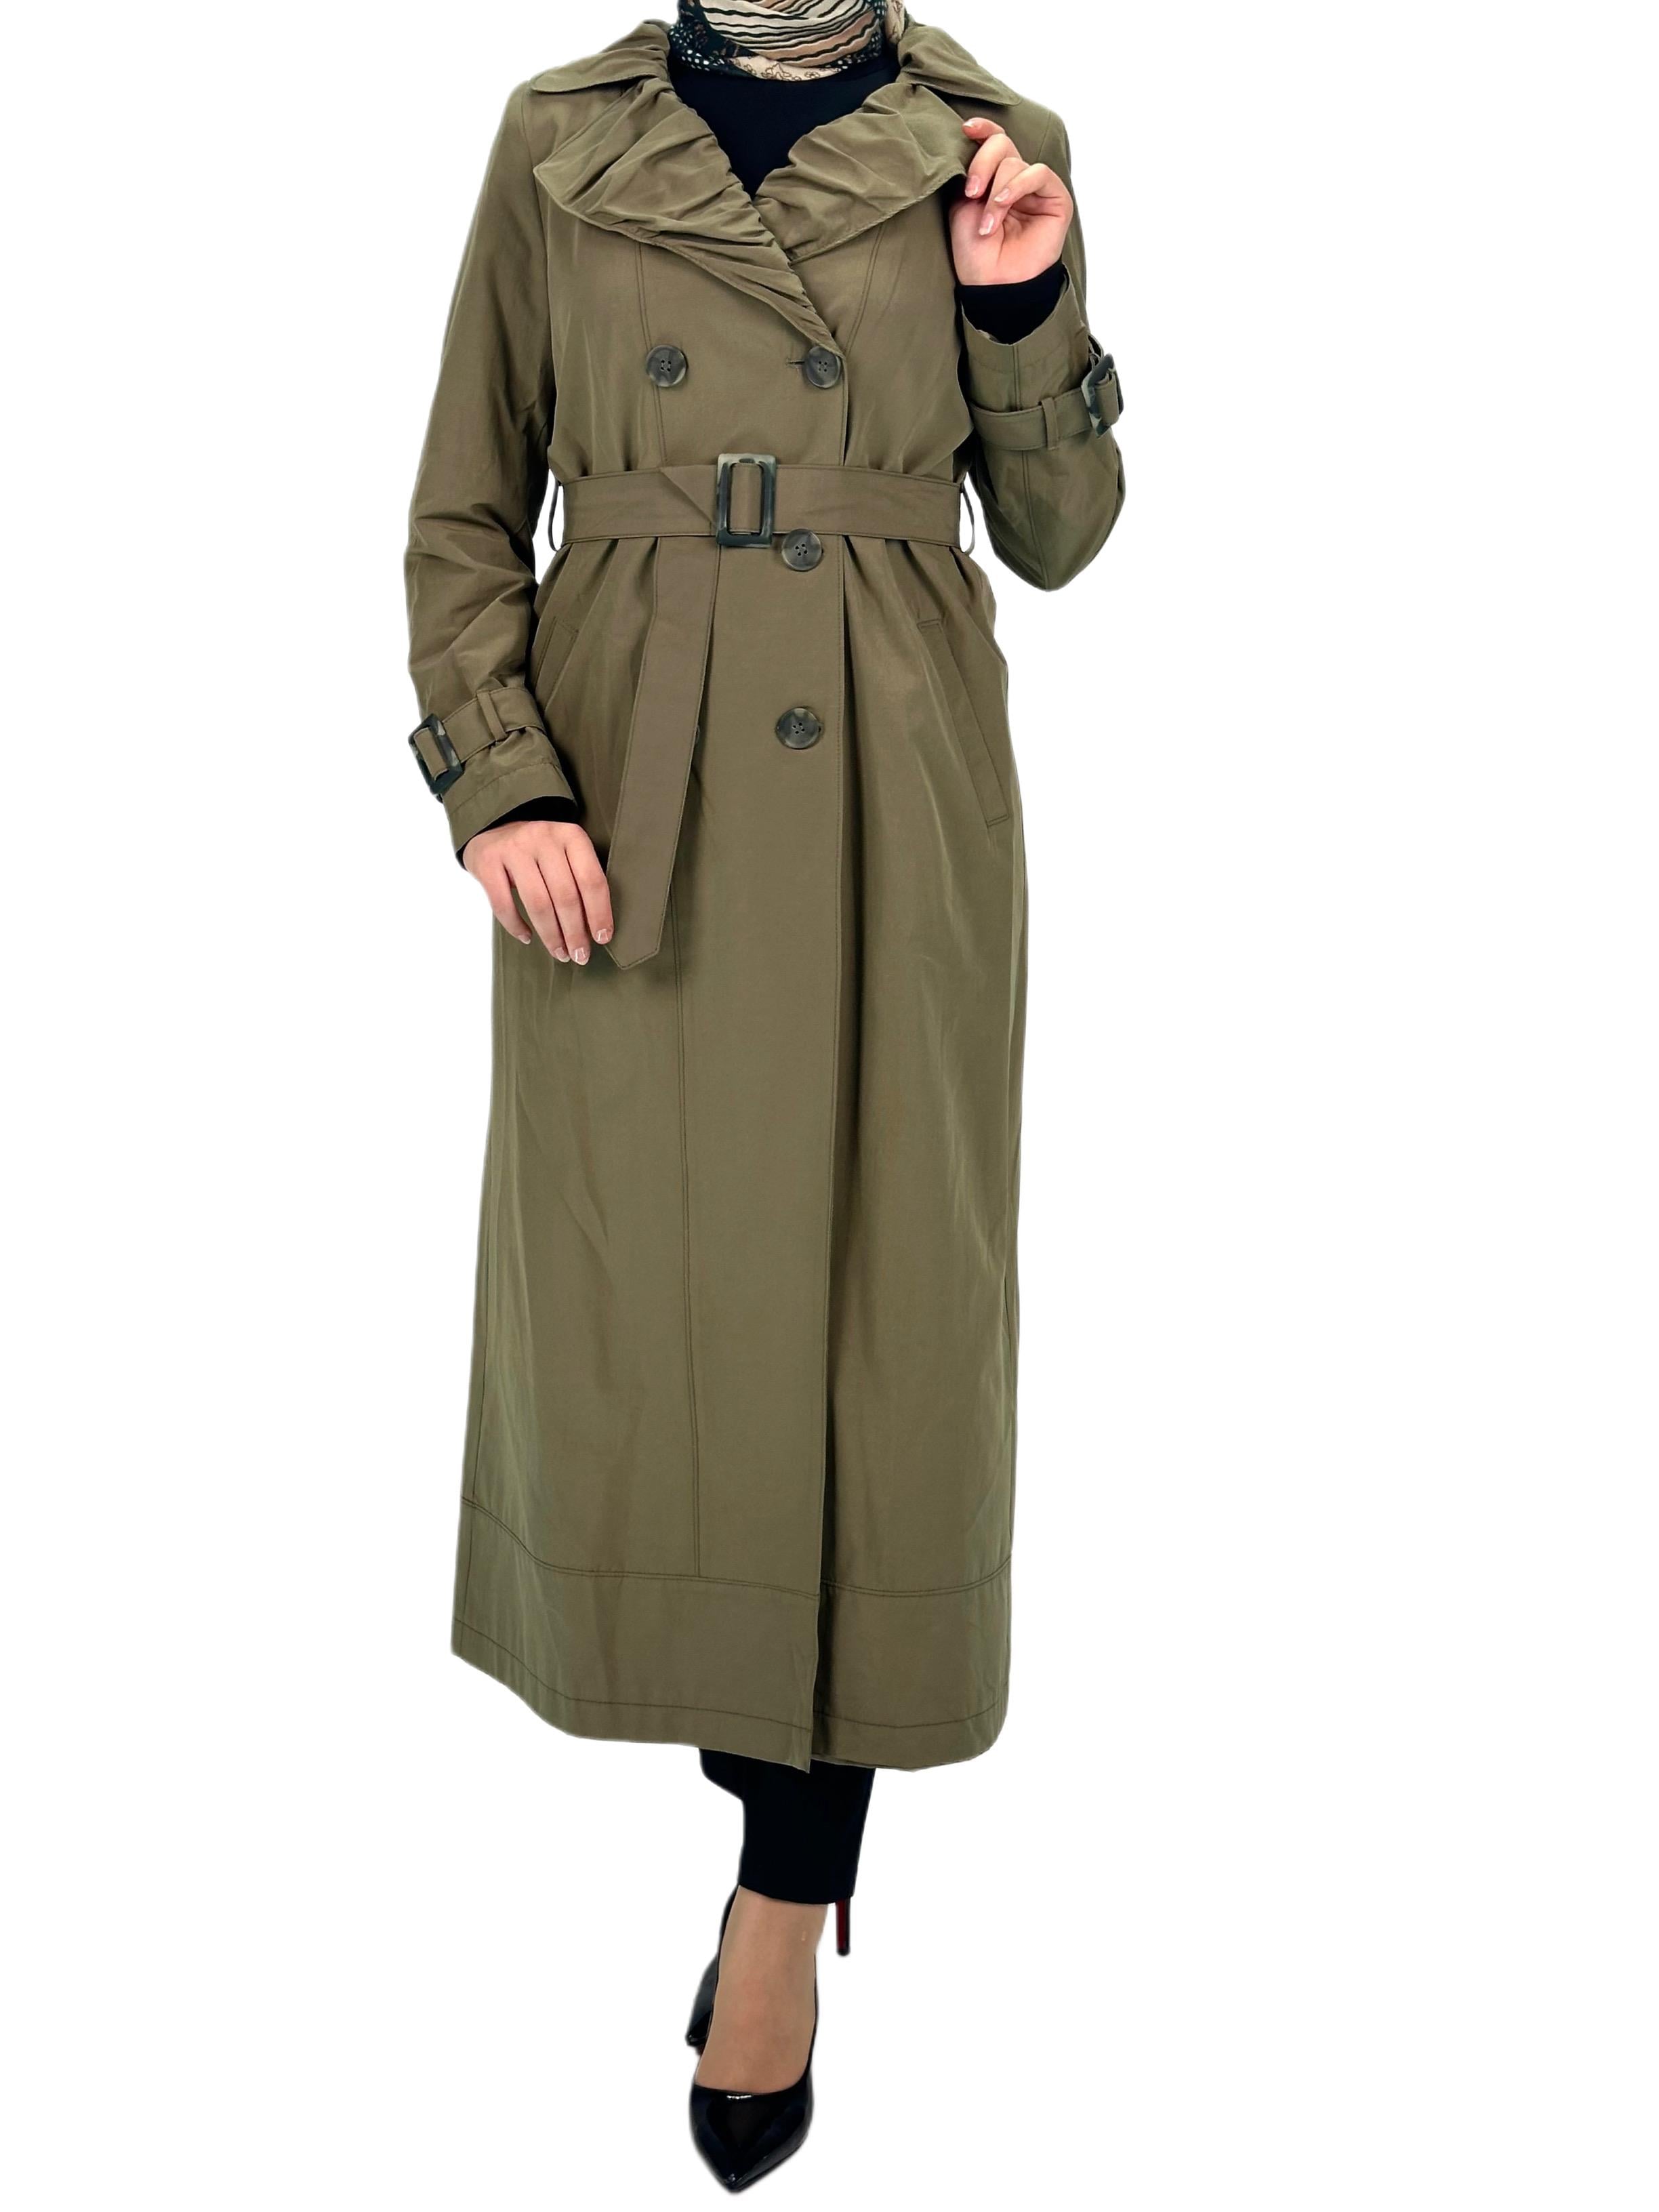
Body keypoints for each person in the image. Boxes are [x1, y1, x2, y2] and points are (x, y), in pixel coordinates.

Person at [405, 1, 1125, 2188]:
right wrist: (500, 782)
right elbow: (462, 511)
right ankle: (769, 1853)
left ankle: (785, 1907)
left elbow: (1064, 529)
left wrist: (1020, 305)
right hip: (634, 794)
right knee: (675, 1342)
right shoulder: (556, 138)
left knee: (879, 1354)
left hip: (895, 789)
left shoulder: (993, 139)